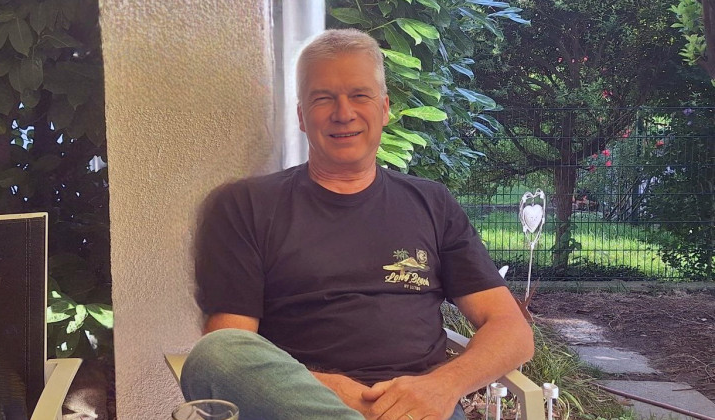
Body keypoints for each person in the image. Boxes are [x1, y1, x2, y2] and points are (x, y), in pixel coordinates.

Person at [181, 28, 534, 420]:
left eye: (359, 95)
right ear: (301, 116)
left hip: (419, 408)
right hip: (303, 408)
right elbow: (231, 348)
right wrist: (335, 393)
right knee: (213, 356)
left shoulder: (431, 203)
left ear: (384, 109)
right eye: (323, 98)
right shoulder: (245, 206)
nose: (343, 112)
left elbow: (511, 330)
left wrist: (443, 385)